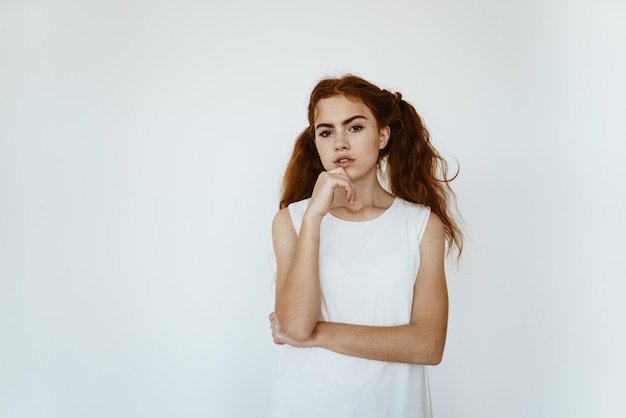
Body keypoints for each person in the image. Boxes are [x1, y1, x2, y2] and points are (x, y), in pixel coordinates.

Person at [268, 74, 463, 418]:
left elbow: (428, 345)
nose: (340, 143)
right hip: (307, 406)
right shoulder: (293, 221)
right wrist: (314, 215)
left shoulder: (419, 226)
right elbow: (296, 324)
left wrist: (317, 335)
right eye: (326, 132)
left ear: (383, 135)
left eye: (354, 128)